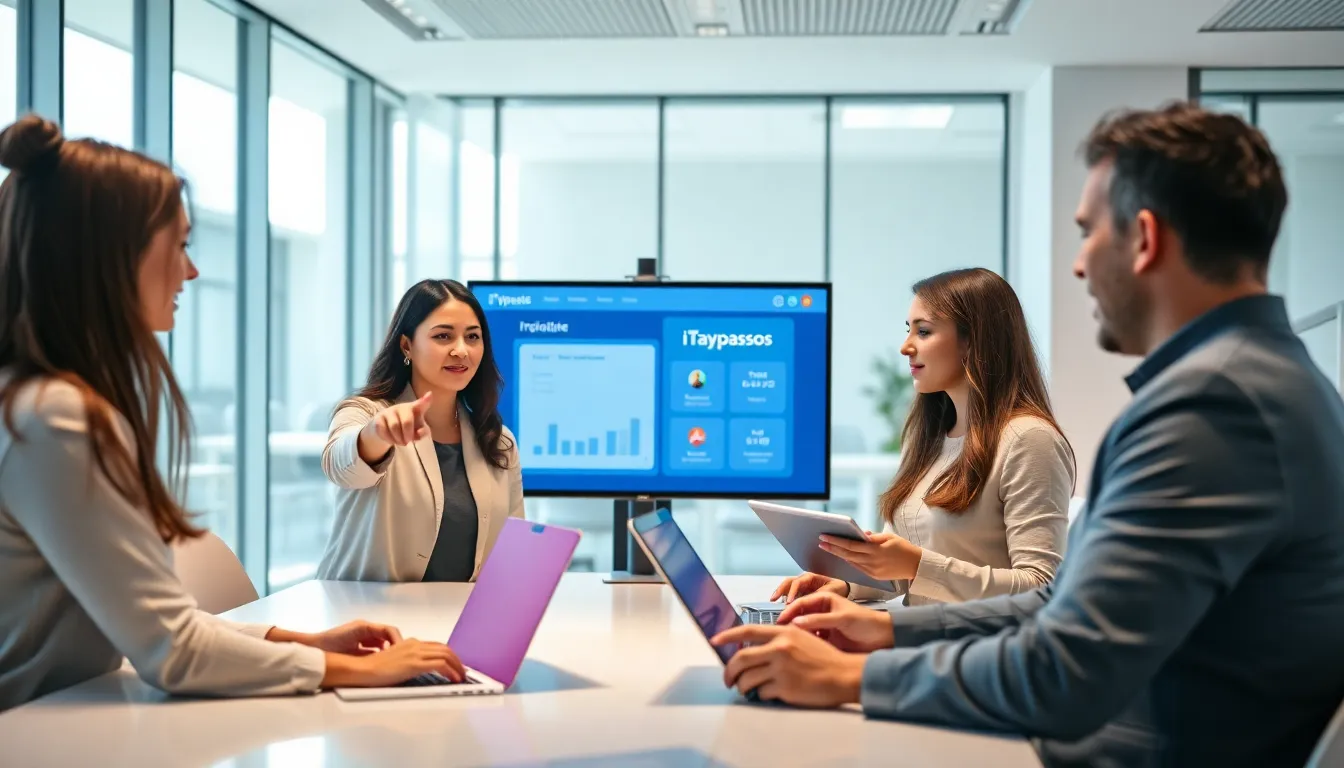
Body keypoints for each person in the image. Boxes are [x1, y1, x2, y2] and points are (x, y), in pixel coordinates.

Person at [710, 102, 1344, 767]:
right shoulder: (1261, 380)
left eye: (1088, 233)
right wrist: (883, 628)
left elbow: (1068, 668)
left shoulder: (1215, 405)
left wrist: (849, 677)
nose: (1077, 266)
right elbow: (1058, 605)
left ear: (1146, 238)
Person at [0, 115, 466, 712]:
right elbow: (172, 650)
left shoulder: (42, 404)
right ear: (114, 257)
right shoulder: (54, 419)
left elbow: (160, 625)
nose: (191, 271)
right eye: (181, 245)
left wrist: (305, 642)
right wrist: (345, 670)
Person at [773, 268, 1074, 607]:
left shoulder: (1030, 440)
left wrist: (918, 565)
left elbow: (1041, 588)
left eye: (924, 331)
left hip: (976, 652)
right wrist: (847, 583)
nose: (905, 347)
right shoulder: (932, 437)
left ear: (974, 340)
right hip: (921, 640)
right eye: (908, 331)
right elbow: (908, 570)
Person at [319, 279, 523, 582]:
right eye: (443, 336)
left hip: (454, 621)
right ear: (407, 345)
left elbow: (514, 551)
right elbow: (341, 466)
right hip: (363, 618)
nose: (461, 350)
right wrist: (377, 435)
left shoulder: (497, 439)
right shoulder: (365, 413)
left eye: (472, 337)